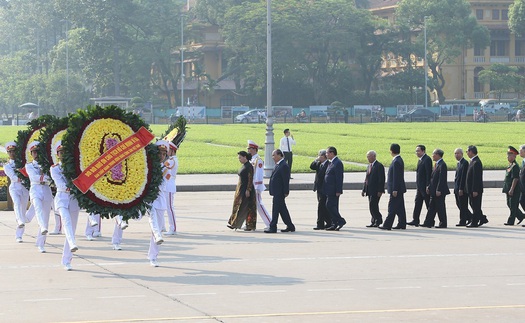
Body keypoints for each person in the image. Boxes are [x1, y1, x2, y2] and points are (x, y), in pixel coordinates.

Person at [50, 141, 80, 271]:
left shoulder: (75, 168)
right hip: (62, 198)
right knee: (66, 221)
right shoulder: (55, 168)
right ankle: (73, 243)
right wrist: (72, 187)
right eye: (60, 152)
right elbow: (60, 184)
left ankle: (66, 260)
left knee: (71, 228)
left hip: (74, 200)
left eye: (65, 152)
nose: (63, 154)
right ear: (57, 154)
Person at [25, 141, 54, 253]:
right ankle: (42, 226)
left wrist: (44, 177)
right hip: (35, 189)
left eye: (38, 152)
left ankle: (41, 243)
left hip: (46, 190)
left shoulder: (48, 165)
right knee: (37, 207)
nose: (36, 154)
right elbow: (34, 177)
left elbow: (50, 178)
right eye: (34, 152)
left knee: (46, 216)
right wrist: (44, 177)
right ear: (31, 153)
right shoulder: (29, 166)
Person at [147, 140, 171, 267]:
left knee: (157, 227)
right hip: (149, 200)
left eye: (163, 154)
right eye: (159, 153)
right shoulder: (148, 167)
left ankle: (153, 256)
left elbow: (162, 186)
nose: (161, 156)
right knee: (152, 220)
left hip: (160, 201)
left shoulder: (166, 170)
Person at [3, 141, 31, 242]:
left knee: (22, 210)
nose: (12, 153)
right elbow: (13, 177)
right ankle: (19, 221)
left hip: (24, 188)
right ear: (7, 152)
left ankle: (19, 234)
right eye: (9, 151)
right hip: (15, 187)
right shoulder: (7, 166)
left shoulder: (23, 163)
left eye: (13, 151)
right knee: (17, 203)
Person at [265, 149, 295, 233]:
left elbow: (285, 180)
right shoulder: (278, 165)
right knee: (282, 210)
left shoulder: (283, 165)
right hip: (276, 191)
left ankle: (273, 227)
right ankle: (290, 226)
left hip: (280, 192)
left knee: (276, 210)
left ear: (279, 155)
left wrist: (286, 191)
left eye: (274, 155)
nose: (272, 157)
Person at [227, 151, 256, 230]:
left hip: (246, 190)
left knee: (244, 207)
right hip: (241, 189)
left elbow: (250, 179)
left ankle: (242, 224)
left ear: (245, 157)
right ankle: (234, 223)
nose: (239, 159)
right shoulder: (244, 166)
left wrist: (248, 189)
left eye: (240, 157)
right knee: (238, 206)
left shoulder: (249, 166)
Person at [380, 143, 407, 230]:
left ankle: (387, 225)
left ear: (391, 151)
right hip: (399, 188)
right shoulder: (398, 160)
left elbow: (396, 177)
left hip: (396, 189)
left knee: (392, 207)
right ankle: (402, 223)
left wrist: (394, 189)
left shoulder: (396, 161)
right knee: (400, 207)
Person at [421, 149, 450, 228]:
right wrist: (429, 187)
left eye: (433, 154)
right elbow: (432, 178)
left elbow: (442, 179)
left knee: (440, 208)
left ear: (438, 155)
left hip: (439, 191)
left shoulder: (442, 165)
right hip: (433, 190)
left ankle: (443, 223)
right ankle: (428, 222)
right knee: (431, 207)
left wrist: (439, 190)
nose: (432, 156)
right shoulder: (436, 164)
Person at [246, 140, 271, 230]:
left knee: (259, 205)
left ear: (254, 149)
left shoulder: (258, 160)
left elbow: (259, 175)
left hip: (256, 187)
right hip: (251, 186)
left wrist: (256, 187)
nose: (248, 150)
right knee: (250, 206)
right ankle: (249, 223)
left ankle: (270, 223)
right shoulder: (251, 160)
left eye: (250, 148)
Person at [407, 145, 431, 227]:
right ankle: (415, 220)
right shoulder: (420, 160)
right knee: (417, 203)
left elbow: (428, 174)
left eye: (418, 151)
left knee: (428, 204)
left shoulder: (427, 160)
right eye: (416, 151)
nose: (417, 153)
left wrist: (428, 185)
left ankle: (430, 220)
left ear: (423, 151)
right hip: (419, 187)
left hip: (424, 187)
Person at [465, 145, 489, 227]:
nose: (466, 153)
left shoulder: (476, 162)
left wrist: (475, 190)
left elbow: (476, 178)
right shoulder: (472, 161)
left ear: (471, 152)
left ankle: (475, 222)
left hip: (475, 190)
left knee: (475, 206)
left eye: (467, 151)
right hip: (471, 189)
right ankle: (482, 218)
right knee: (473, 204)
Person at [324, 146, 346, 231]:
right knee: (331, 206)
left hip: (333, 190)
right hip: (329, 189)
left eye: (327, 153)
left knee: (329, 205)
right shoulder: (331, 162)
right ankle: (334, 223)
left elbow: (339, 178)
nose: (326, 155)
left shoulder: (337, 163)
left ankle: (340, 221)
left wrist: (338, 190)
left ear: (332, 153)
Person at [362, 150, 385, 228]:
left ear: (374, 156)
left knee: (373, 205)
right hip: (369, 189)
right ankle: (374, 220)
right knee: (371, 206)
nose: (368, 158)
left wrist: (380, 190)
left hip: (376, 190)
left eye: (369, 156)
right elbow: (366, 179)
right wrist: (364, 189)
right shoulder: (369, 166)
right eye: (367, 156)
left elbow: (381, 179)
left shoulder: (379, 166)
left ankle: (378, 219)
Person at [310, 149, 332, 230]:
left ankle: (320, 224)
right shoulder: (319, 163)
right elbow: (311, 166)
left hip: (324, 189)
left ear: (324, 157)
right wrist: (316, 160)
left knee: (321, 207)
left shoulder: (328, 164)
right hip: (319, 188)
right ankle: (329, 222)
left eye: (320, 156)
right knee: (323, 206)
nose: (318, 157)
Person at [503, 146, 524, 225]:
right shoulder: (510, 165)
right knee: (509, 204)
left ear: (514, 156)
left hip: (514, 189)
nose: (507, 156)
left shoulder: (515, 166)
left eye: (509, 155)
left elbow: (515, 179)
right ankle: (521, 216)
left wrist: (512, 189)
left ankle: (511, 221)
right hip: (508, 188)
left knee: (513, 205)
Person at [453, 148, 472, 226]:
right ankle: (470, 217)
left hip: (462, 189)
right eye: (455, 154)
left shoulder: (465, 163)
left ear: (462, 154)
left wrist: (461, 188)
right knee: (459, 204)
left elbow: (463, 177)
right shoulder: (459, 163)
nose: (456, 155)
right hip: (457, 187)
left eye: (458, 153)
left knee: (463, 205)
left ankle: (463, 221)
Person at [163, 141, 179, 235]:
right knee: (166, 207)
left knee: (170, 208)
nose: (167, 152)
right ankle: (164, 227)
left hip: (169, 185)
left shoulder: (171, 160)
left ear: (172, 151)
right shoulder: (171, 159)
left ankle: (173, 228)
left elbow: (164, 168)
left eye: (168, 150)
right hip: (167, 184)